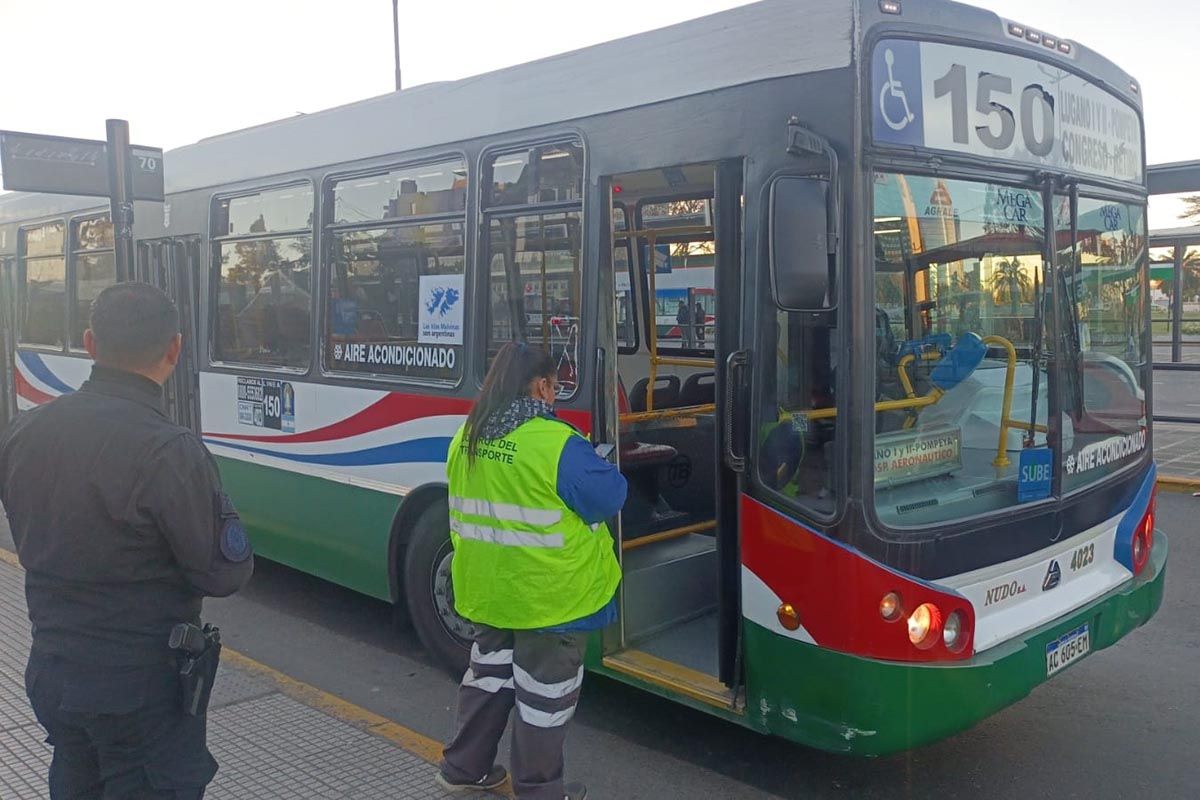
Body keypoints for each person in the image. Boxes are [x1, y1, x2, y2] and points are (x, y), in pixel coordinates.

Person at [0, 282, 254, 799]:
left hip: (51, 674)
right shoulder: (170, 451)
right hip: (139, 693)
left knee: (74, 774)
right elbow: (223, 572)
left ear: (91, 344)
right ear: (175, 350)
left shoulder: (24, 430)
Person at [437, 341, 626, 800]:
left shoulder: (468, 437)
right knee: (545, 700)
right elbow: (611, 496)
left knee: (488, 679)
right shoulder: (555, 443)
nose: (556, 394)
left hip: (489, 593)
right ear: (540, 385)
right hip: (549, 599)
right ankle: (540, 791)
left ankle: (464, 768)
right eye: (556, 386)